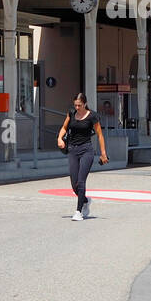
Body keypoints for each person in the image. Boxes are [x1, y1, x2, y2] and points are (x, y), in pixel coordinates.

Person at [57, 92, 108, 221]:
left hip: (86, 150)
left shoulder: (92, 117)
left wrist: (103, 153)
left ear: (85, 104)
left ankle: (78, 211)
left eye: (79, 105)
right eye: (75, 105)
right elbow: (64, 127)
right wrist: (59, 138)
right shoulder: (71, 113)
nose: (77, 108)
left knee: (81, 181)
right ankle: (85, 200)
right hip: (72, 150)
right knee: (74, 184)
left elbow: (100, 135)